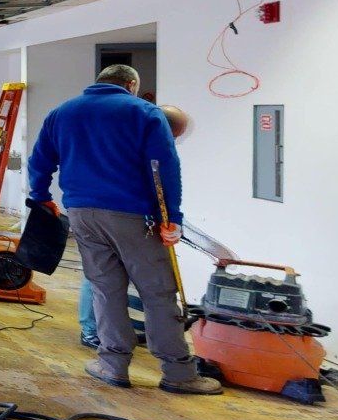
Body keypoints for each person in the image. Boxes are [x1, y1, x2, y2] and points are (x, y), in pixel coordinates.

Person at [29, 69, 219, 394]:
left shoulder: (61, 113)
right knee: (157, 292)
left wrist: (42, 197)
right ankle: (178, 373)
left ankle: (112, 364)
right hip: (133, 215)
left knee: (105, 288)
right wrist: (171, 216)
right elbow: (164, 166)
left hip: (81, 214)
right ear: (132, 84)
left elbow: (39, 161)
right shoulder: (143, 112)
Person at [77, 103, 190, 348]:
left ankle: (102, 332)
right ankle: (93, 331)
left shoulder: (119, 136)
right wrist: (172, 218)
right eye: (174, 137)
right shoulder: (144, 146)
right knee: (106, 279)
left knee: (104, 275)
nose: (173, 142)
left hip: (89, 211)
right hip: (120, 216)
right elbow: (163, 181)